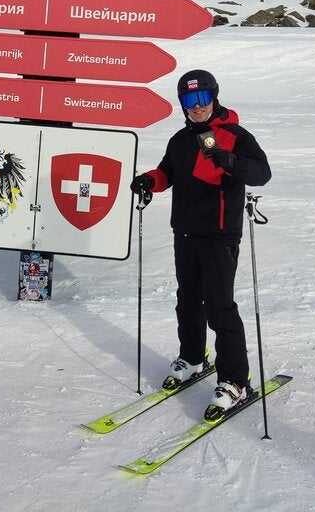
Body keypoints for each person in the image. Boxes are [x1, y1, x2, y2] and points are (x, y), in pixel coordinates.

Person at [130, 69, 271, 418]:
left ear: (214, 97)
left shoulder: (236, 136)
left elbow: (262, 173)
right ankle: (193, 358)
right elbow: (168, 172)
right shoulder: (179, 140)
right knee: (188, 300)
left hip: (220, 234)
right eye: (189, 101)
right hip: (186, 232)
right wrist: (150, 180)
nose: (197, 107)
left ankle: (236, 380)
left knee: (220, 307)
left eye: (202, 99)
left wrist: (233, 163)